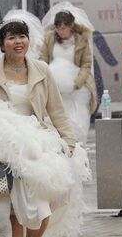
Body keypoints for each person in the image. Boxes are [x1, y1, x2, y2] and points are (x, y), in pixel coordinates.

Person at [0, 20, 77, 237]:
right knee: (14, 212)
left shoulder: (42, 70)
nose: (17, 41)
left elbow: (56, 109)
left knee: (44, 208)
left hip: (37, 144)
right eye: (11, 37)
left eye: (22, 36)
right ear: (2, 43)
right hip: (5, 146)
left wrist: (68, 141)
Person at [39, 9, 97, 144]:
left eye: (63, 28)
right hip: (55, 88)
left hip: (77, 88)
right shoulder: (49, 39)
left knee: (78, 119)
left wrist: (78, 82)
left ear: (71, 26)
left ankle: (77, 143)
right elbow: (43, 59)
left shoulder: (82, 40)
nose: (60, 31)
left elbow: (86, 64)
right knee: (58, 119)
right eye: (58, 28)